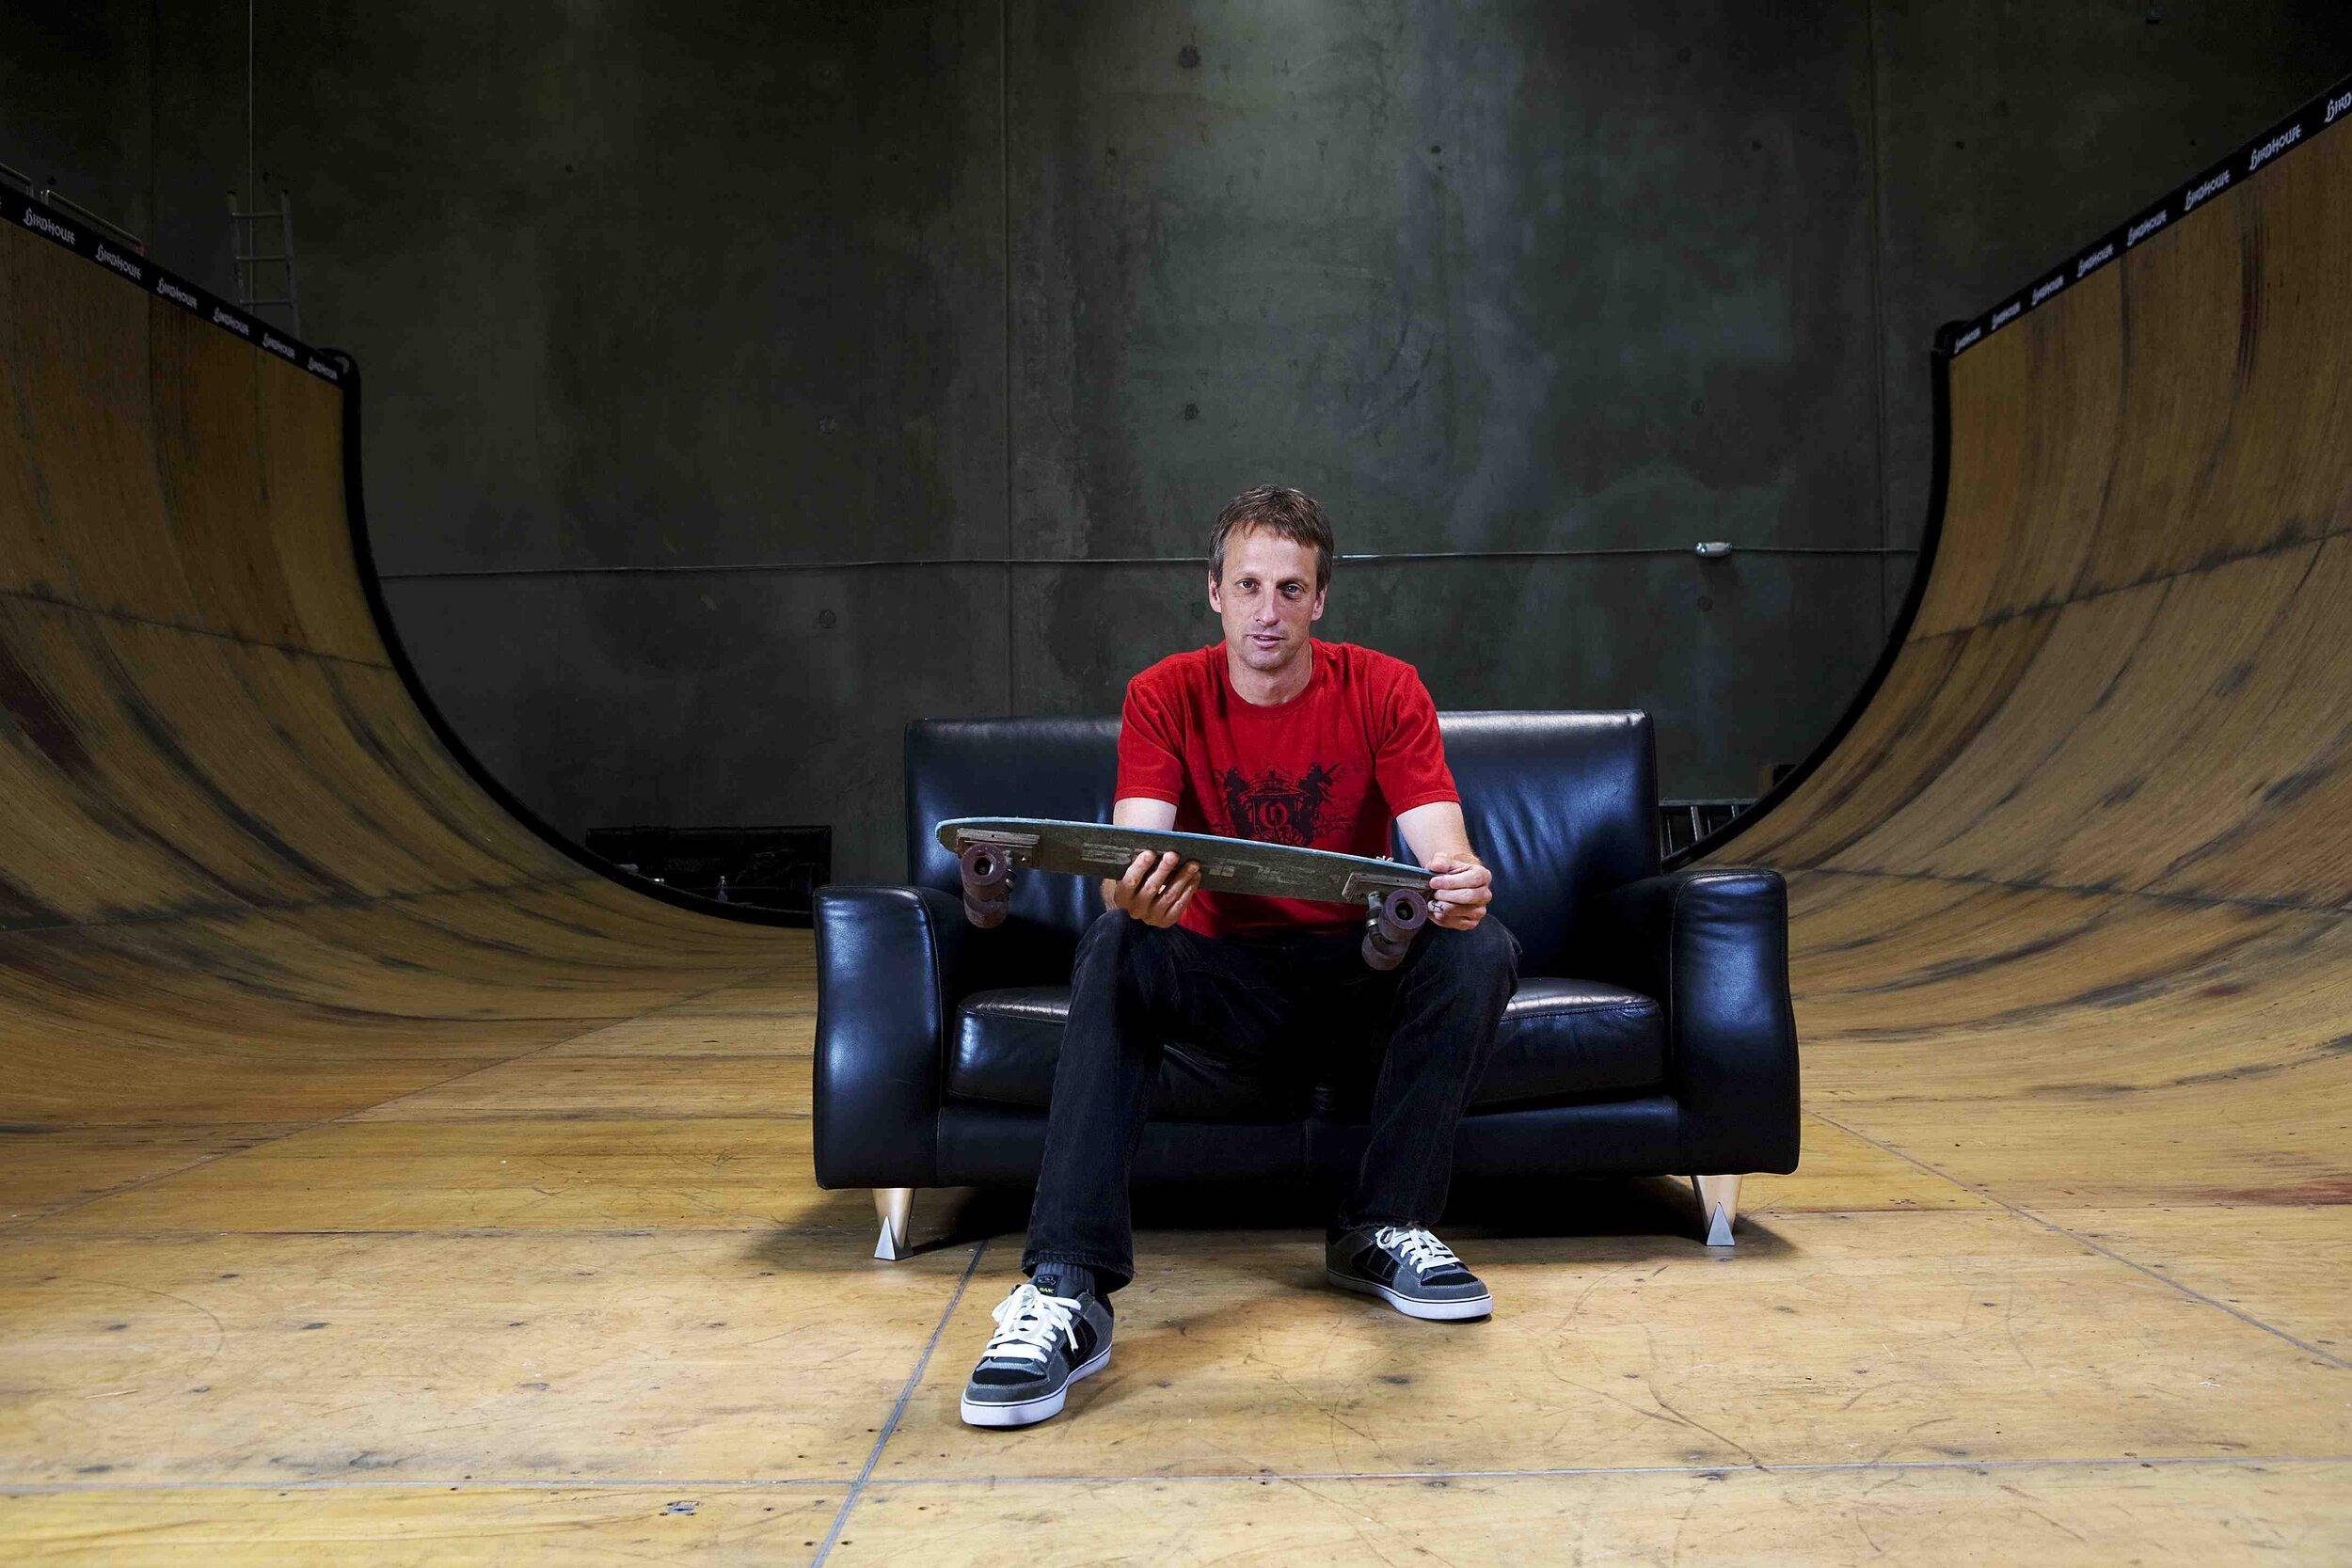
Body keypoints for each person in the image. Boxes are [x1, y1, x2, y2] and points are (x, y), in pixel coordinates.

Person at [960, 484, 1520, 1430]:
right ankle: (1068, 1283)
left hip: (1355, 973)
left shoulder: (1385, 687)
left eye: (1292, 589)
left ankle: (1383, 1224)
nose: (1271, 611)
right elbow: (1125, 855)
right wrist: (1130, 890)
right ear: (1212, 590)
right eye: (1251, 585)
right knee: (1117, 936)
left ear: (1321, 599)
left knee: (1482, 945)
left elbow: (1442, 845)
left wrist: (1458, 882)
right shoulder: (1162, 692)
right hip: (1221, 979)